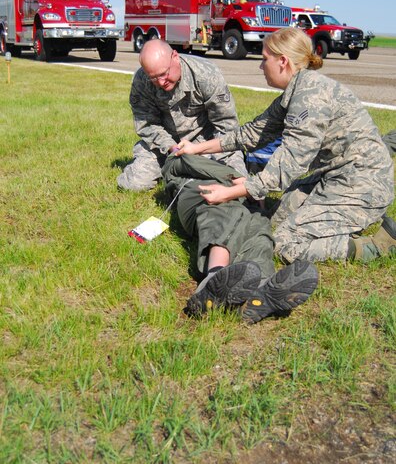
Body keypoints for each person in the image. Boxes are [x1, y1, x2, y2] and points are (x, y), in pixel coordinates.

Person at [176, 27, 395, 264]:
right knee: (275, 220)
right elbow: (251, 134)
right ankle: (344, 220)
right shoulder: (296, 91)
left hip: (363, 185)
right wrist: (195, 148)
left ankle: (375, 245)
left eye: (264, 59)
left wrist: (232, 191)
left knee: (283, 244)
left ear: (282, 61)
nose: (261, 67)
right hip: (335, 176)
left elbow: (289, 163)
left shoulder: (310, 96)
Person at [162, 152, 318, 323]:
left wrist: (249, 190)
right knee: (225, 211)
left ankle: (260, 291)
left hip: (243, 198)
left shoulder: (235, 154)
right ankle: (213, 278)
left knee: (258, 225)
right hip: (201, 194)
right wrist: (242, 181)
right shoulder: (182, 155)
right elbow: (179, 162)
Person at [117, 39, 246, 191]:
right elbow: (147, 124)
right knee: (135, 184)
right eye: (154, 78)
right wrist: (171, 147)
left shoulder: (206, 75)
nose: (161, 82)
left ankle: (185, 170)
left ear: (175, 57)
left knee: (236, 182)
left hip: (207, 144)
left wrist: (201, 149)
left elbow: (226, 126)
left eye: (164, 74)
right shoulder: (142, 80)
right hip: (165, 147)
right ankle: (174, 169)